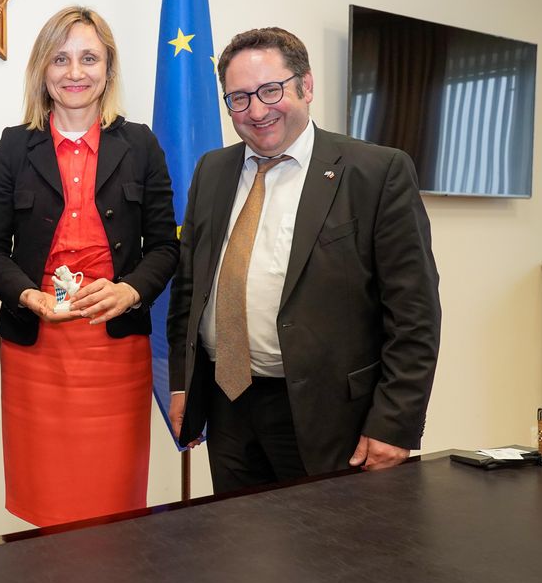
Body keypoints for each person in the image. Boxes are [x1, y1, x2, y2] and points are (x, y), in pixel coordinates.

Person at [167, 27, 440, 493]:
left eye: (270, 90)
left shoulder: (376, 172)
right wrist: (181, 384)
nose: (255, 111)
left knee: (328, 556)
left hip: (328, 415)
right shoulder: (212, 170)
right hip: (227, 403)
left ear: (305, 86)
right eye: (238, 98)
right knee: (234, 552)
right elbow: (190, 287)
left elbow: (414, 314)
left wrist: (395, 421)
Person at [0, 6, 178, 526]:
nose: (75, 72)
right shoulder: (14, 146)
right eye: (60, 59)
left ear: (108, 68)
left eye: (89, 58)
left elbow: (165, 248)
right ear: (42, 69)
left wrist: (130, 291)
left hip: (117, 349)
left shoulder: (142, 145)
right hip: (36, 348)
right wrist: (31, 297)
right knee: (47, 497)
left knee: (111, 499)